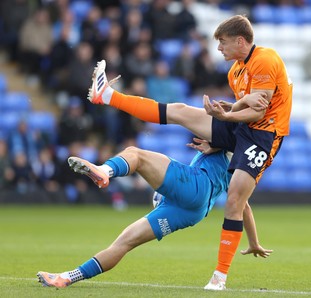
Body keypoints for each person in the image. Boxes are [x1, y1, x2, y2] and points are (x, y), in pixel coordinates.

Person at [85, 14, 292, 290]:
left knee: (234, 201)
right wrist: (226, 116)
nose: (219, 48)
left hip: (264, 137)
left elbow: (259, 110)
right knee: (181, 111)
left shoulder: (265, 59)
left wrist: (228, 116)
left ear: (240, 41)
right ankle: (108, 95)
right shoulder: (235, 71)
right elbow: (245, 109)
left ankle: (219, 277)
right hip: (242, 129)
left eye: (223, 42)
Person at [37, 139, 272, 288]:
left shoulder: (236, 137)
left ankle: (104, 170)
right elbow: (243, 206)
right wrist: (254, 242)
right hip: (194, 211)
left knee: (134, 154)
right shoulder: (244, 161)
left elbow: (218, 124)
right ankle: (66, 278)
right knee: (125, 242)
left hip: (196, 186)